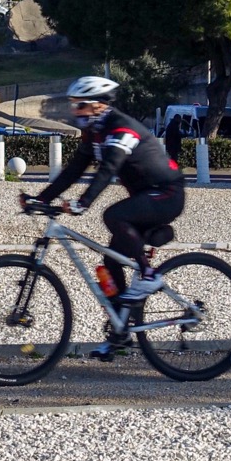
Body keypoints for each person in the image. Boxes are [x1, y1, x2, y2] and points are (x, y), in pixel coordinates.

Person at [23, 75, 184, 358]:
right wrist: (42, 199)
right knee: (110, 263)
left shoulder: (122, 128)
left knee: (113, 215)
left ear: (99, 106)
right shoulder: (95, 133)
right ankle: (120, 333)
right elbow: (73, 171)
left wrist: (83, 203)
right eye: (74, 105)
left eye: (81, 105)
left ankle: (148, 274)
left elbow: (108, 169)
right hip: (144, 197)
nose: (76, 112)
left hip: (167, 193)